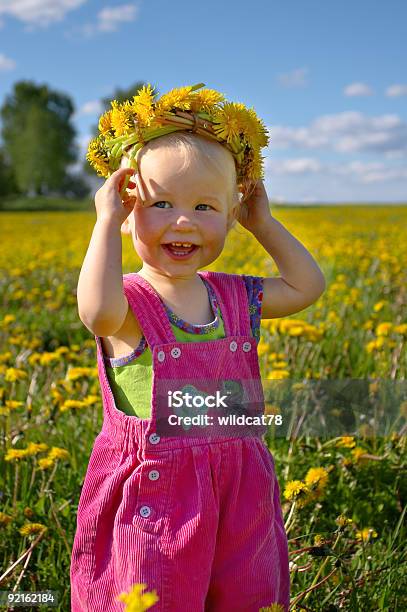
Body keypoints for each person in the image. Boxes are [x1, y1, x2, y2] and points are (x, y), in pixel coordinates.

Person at [70, 84, 326, 611]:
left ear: (231, 214)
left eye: (205, 206)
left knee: (246, 597)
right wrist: (104, 224)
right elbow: (95, 313)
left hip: (241, 489)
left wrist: (265, 223)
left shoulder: (232, 296)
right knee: (153, 598)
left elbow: (306, 287)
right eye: (161, 203)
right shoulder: (129, 304)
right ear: (130, 207)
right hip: (159, 498)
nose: (182, 220)